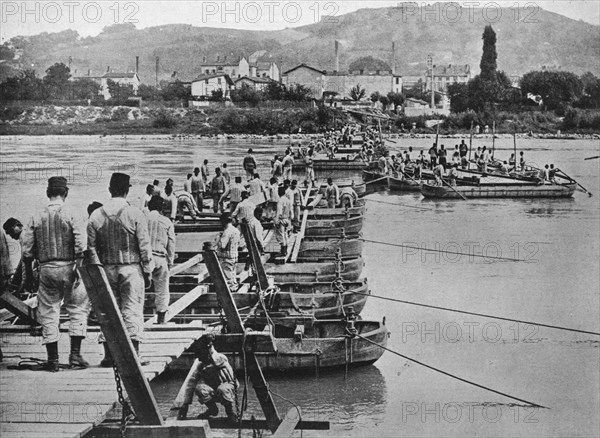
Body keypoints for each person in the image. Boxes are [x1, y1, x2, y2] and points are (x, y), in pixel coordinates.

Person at [21, 177, 90, 371]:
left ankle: (53, 359)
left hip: (46, 268)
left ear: (47, 193)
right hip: (70, 266)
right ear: (65, 193)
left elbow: (26, 246)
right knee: (77, 308)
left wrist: (29, 272)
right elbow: (81, 241)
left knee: (49, 312)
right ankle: (75, 355)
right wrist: (79, 264)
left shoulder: (36, 215)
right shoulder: (73, 212)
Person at [88, 172, 154, 366]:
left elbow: (90, 248)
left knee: (108, 311)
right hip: (131, 269)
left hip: (105, 269)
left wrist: (96, 270)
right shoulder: (135, 213)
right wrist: (148, 270)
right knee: (132, 309)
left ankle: (109, 355)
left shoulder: (96, 215)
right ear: (127, 191)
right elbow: (144, 246)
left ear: (110, 190)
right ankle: (134, 355)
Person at [190, 333, 239, 423]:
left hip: (229, 386)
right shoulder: (202, 365)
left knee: (222, 389)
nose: (200, 359)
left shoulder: (220, 358)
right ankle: (213, 409)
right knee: (200, 388)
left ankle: (230, 413)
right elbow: (193, 380)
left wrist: (210, 344)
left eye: (201, 356)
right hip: (215, 389)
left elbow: (215, 360)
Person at [146, 196, 175, 324]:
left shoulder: (141, 218)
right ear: (161, 208)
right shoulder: (167, 221)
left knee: (138, 288)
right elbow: (171, 244)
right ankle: (161, 319)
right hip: (160, 257)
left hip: (145, 258)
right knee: (162, 289)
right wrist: (170, 262)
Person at [215, 213, 240, 290]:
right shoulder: (236, 230)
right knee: (232, 276)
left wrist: (218, 238)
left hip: (226, 257)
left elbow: (222, 245)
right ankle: (234, 289)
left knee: (228, 279)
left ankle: (230, 295)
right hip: (234, 256)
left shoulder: (227, 232)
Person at [274, 187, 292, 258]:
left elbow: (279, 212)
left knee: (280, 235)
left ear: (279, 193)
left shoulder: (280, 201)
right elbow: (291, 211)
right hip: (287, 219)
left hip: (281, 219)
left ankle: (283, 251)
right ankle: (285, 250)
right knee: (285, 235)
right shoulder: (288, 200)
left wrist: (276, 221)